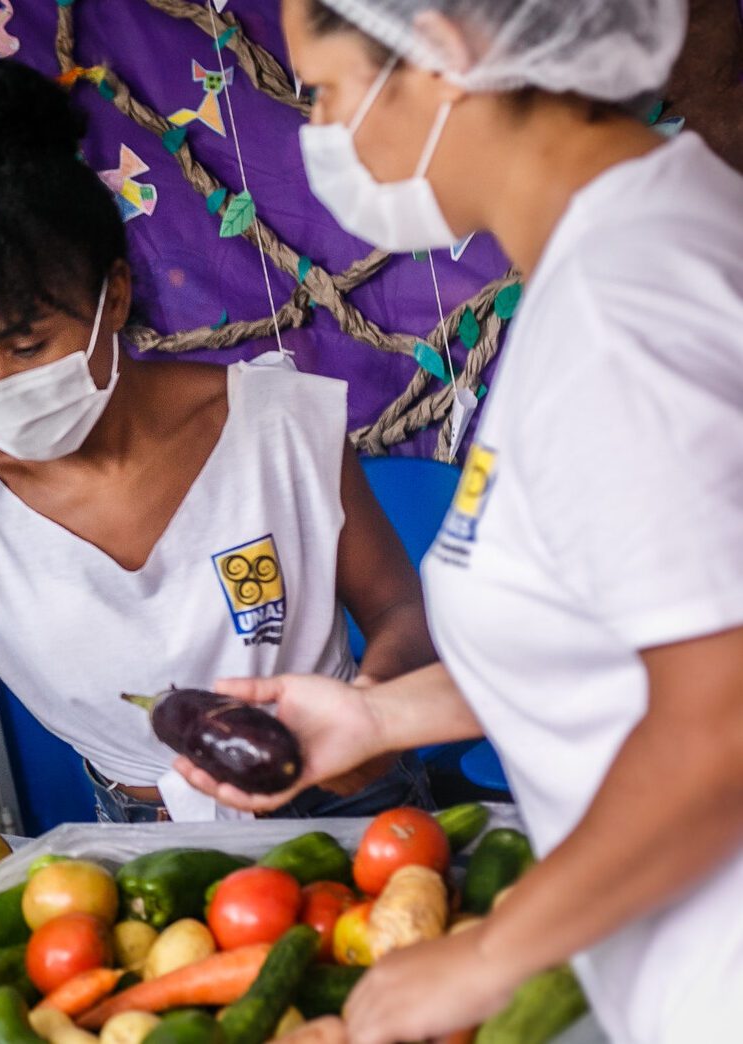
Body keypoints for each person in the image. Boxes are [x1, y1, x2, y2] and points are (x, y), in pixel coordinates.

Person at [175, 1, 741, 1041]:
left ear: (444, 53)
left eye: (330, 94)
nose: (325, 136)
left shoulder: (625, 312)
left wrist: (486, 957)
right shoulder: (629, 254)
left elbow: (723, 717)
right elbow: (620, 629)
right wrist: (381, 718)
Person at [0, 59, 438, 857]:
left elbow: (397, 612)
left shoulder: (274, 423)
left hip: (353, 803)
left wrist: (366, 721)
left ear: (112, 294)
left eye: (25, 345)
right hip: (143, 848)